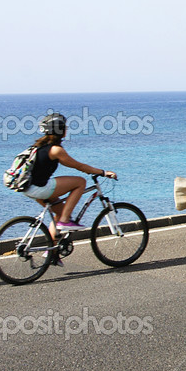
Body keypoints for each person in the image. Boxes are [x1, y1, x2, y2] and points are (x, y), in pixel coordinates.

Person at [20, 113, 116, 266]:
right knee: (80, 182)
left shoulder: (38, 146)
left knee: (58, 212)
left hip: (30, 188)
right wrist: (103, 172)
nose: (66, 129)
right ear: (59, 130)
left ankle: (52, 253)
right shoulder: (56, 150)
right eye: (64, 127)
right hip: (40, 188)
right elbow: (80, 167)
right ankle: (65, 221)